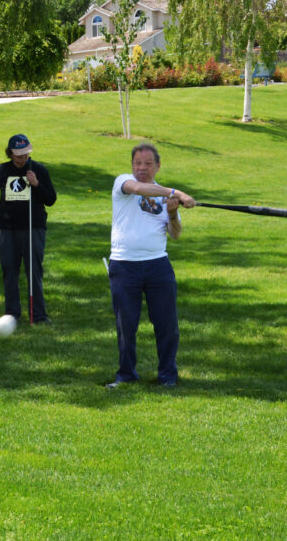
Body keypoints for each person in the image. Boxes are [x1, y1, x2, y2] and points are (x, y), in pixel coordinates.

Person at [106, 143, 196, 389]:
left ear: (158, 166)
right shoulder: (124, 182)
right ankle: (126, 375)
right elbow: (138, 188)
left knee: (167, 325)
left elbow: (175, 234)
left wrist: (174, 213)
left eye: (147, 164)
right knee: (127, 325)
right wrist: (177, 191)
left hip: (158, 265)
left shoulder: (165, 197)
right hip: (125, 265)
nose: (142, 168)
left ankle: (168, 376)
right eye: (137, 163)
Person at [0, 134, 57, 324]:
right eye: (18, 155)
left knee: (34, 272)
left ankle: (39, 315)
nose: (22, 158)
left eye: (25, 154)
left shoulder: (38, 170)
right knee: (9, 271)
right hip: (8, 230)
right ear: (10, 153)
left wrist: (36, 184)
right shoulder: (1, 171)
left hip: (33, 228)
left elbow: (51, 199)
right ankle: (12, 314)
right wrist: (0, 210)